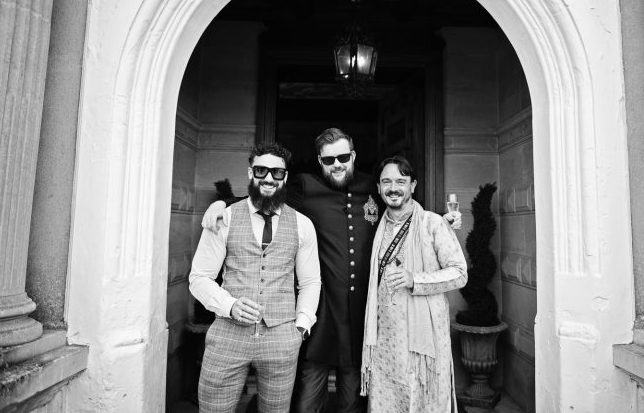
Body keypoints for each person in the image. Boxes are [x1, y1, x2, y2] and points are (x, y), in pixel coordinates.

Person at [202, 129, 461, 412]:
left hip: (362, 315)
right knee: (306, 401)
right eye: (328, 160)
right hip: (322, 314)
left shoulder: (373, 187)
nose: (336, 164)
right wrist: (221, 203)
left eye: (342, 157)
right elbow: (264, 193)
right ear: (319, 161)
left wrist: (442, 220)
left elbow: (404, 205)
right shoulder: (304, 186)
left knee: (353, 401)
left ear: (352, 156)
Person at [189, 142, 321, 413]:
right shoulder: (223, 218)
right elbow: (199, 277)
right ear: (250, 173)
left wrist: (301, 325)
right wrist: (229, 305)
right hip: (227, 335)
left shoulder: (302, 224)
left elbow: (310, 282)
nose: (269, 178)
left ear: (285, 177)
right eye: (261, 170)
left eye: (277, 172)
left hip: (282, 337)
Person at [361, 155, 467, 412]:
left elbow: (460, 273)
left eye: (401, 181)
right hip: (386, 341)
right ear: (378, 188)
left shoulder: (433, 223)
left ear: (413, 185)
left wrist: (415, 279)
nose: (393, 187)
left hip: (425, 341)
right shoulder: (375, 225)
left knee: (423, 401)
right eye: (386, 181)